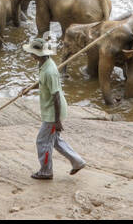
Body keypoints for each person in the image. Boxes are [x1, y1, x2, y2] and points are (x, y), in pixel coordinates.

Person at [24, 35, 86, 180]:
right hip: (51, 111)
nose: (30, 54)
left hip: (53, 114)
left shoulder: (49, 71)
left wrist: (57, 121)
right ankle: (78, 162)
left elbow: (56, 95)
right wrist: (29, 88)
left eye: (31, 52)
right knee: (55, 140)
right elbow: (43, 82)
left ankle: (46, 171)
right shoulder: (44, 64)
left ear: (36, 54)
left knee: (42, 141)